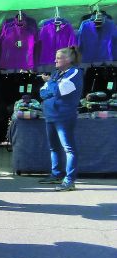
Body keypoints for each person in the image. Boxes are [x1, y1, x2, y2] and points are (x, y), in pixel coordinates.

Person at [38, 46, 84, 191]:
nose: (55, 60)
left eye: (58, 58)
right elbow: (43, 93)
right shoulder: (57, 74)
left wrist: (51, 83)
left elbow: (58, 91)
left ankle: (69, 181)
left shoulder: (74, 73)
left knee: (69, 149)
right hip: (51, 115)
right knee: (54, 147)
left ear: (68, 59)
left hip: (64, 117)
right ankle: (56, 174)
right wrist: (51, 85)